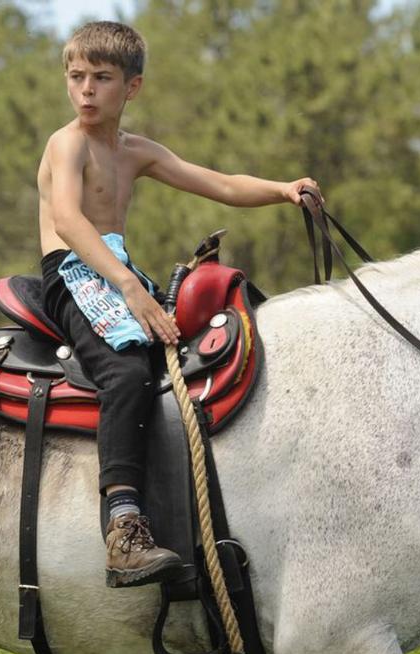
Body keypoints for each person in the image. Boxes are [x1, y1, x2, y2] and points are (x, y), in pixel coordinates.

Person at [38, 20, 322, 588]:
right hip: (74, 271)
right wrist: (129, 286)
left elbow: (218, 183)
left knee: (187, 361)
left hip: (114, 267)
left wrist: (284, 191)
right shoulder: (66, 143)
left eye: (101, 78)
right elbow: (69, 221)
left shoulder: (135, 151)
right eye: (76, 77)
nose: (86, 90)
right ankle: (122, 528)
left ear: (132, 87)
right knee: (125, 371)